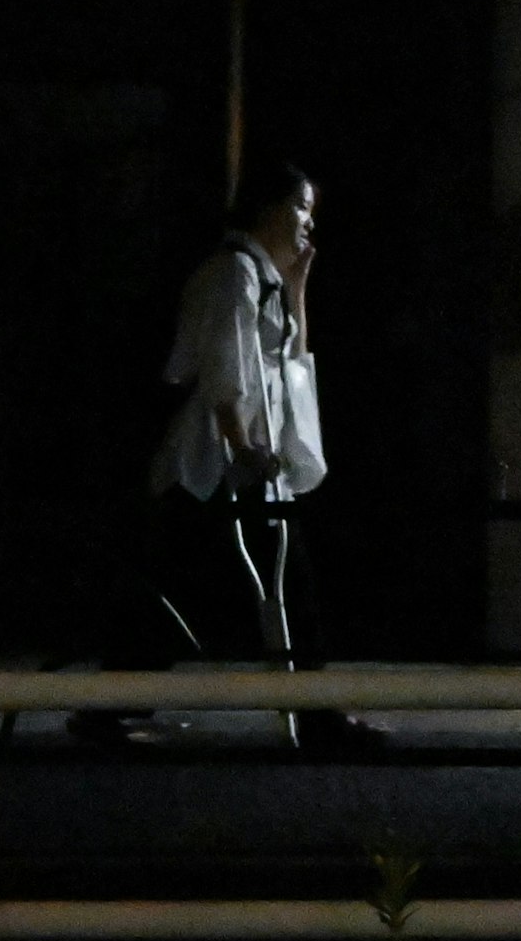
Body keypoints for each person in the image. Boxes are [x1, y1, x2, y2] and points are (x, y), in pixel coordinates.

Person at [77, 152, 380, 756]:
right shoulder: (232, 274)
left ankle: (111, 708)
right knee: (261, 581)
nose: (306, 224)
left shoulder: (262, 275)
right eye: (300, 209)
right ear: (270, 208)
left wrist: (298, 288)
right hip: (214, 463)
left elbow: (288, 359)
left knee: (199, 581)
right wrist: (244, 447)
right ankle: (314, 719)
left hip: (230, 465)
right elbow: (226, 366)